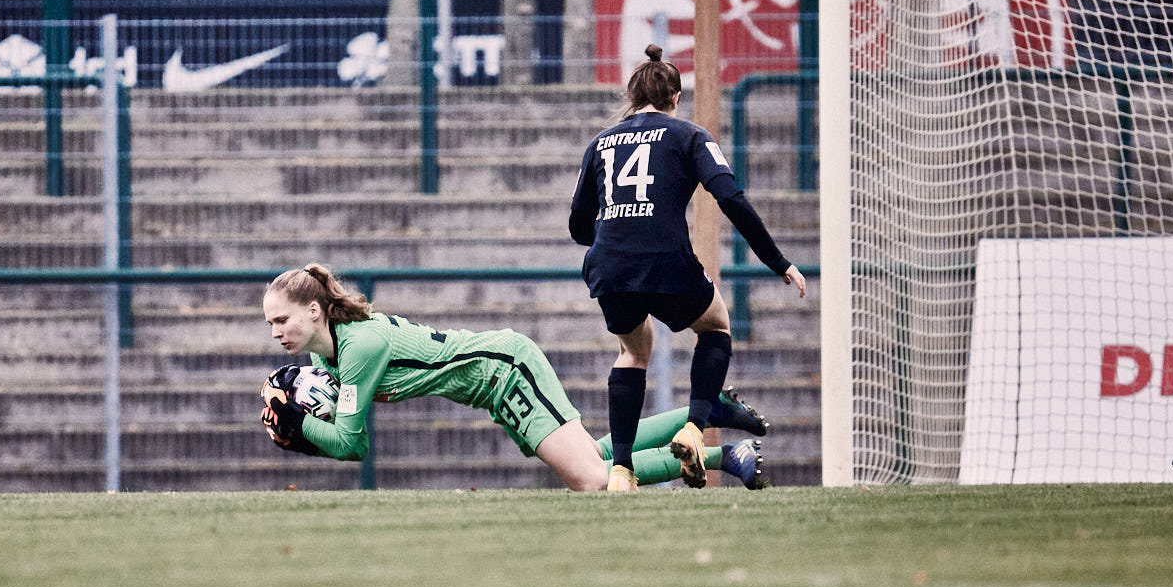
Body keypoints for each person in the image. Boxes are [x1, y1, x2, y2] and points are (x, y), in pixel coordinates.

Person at [259, 264, 773, 491]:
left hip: (507, 370)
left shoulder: (358, 348)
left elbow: (352, 444)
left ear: (313, 310)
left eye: (283, 319)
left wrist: (302, 428)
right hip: (495, 387)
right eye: (270, 325)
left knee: (594, 481)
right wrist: (305, 418)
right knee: (596, 459)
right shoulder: (329, 359)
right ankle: (706, 416)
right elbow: (343, 423)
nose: (277, 331)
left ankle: (720, 453)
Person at [570, 44, 808, 493]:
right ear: (675, 99)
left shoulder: (599, 143)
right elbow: (730, 199)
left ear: (631, 95)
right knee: (716, 326)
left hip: (609, 265)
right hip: (665, 260)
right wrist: (778, 262)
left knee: (632, 352)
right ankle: (694, 427)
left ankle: (621, 470)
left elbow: (578, 225)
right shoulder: (690, 136)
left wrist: (617, 236)